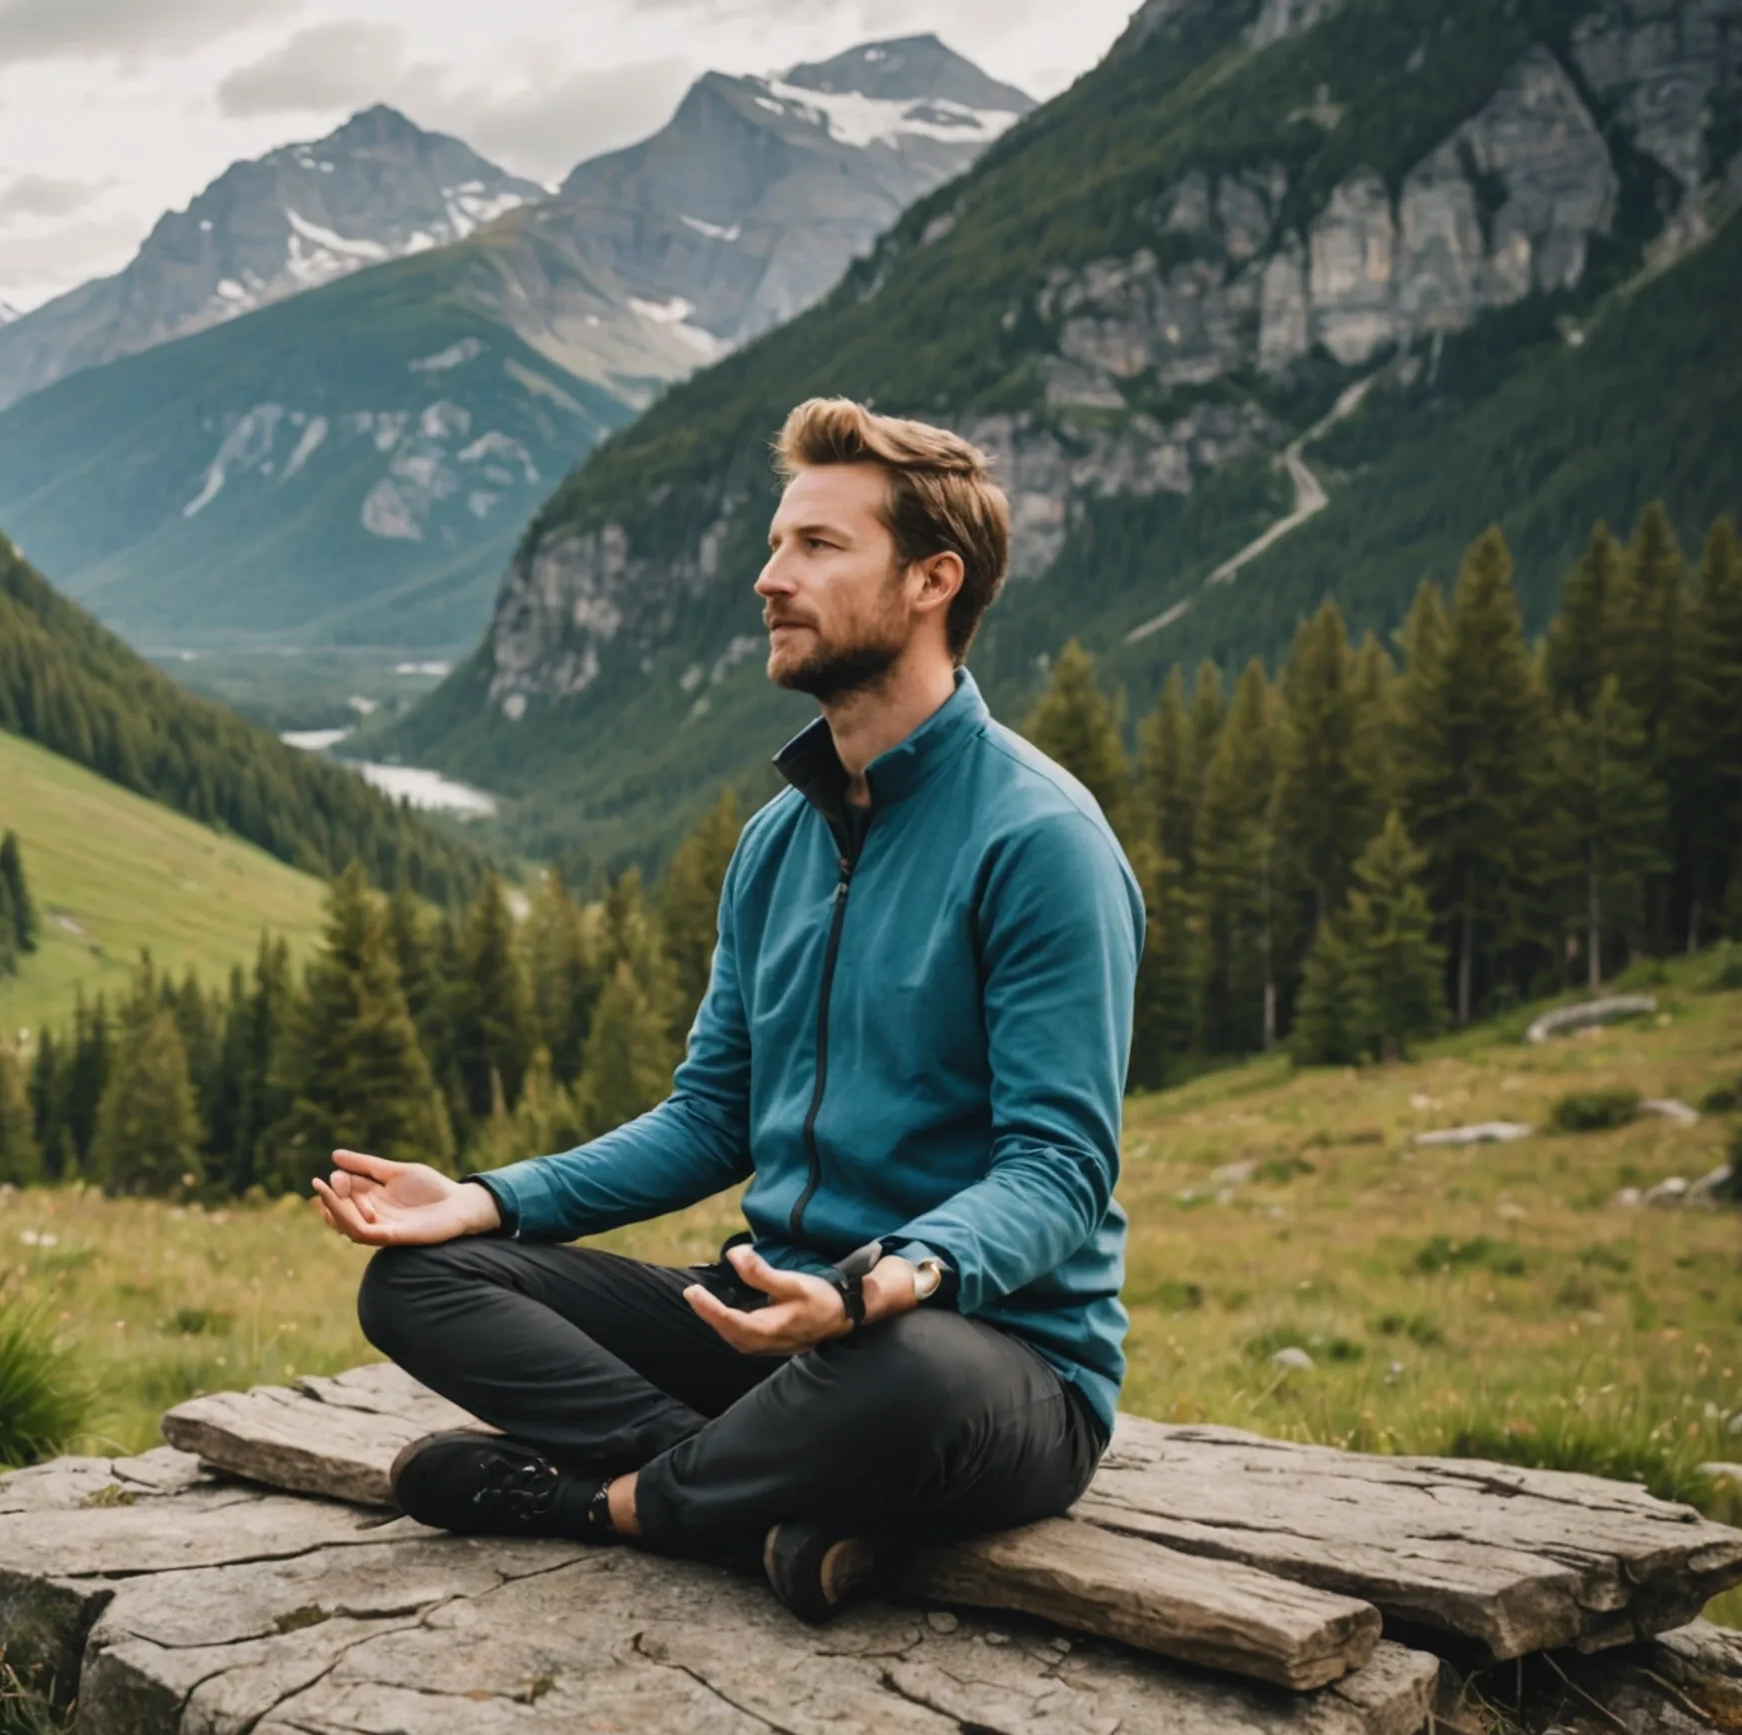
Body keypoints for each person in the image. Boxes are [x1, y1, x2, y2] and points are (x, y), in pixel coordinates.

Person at [312, 398, 1141, 1622]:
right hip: (774, 1316)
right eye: (774, 544)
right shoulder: (777, 844)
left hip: (984, 1353)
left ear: (932, 580)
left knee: (896, 1378)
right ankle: (746, 1491)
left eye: (816, 545)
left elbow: (1060, 1169)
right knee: (422, 1283)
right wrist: (486, 1197)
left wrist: (881, 1285)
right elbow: (711, 1119)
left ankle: (609, 1503)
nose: (769, 578)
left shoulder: (1040, 841)